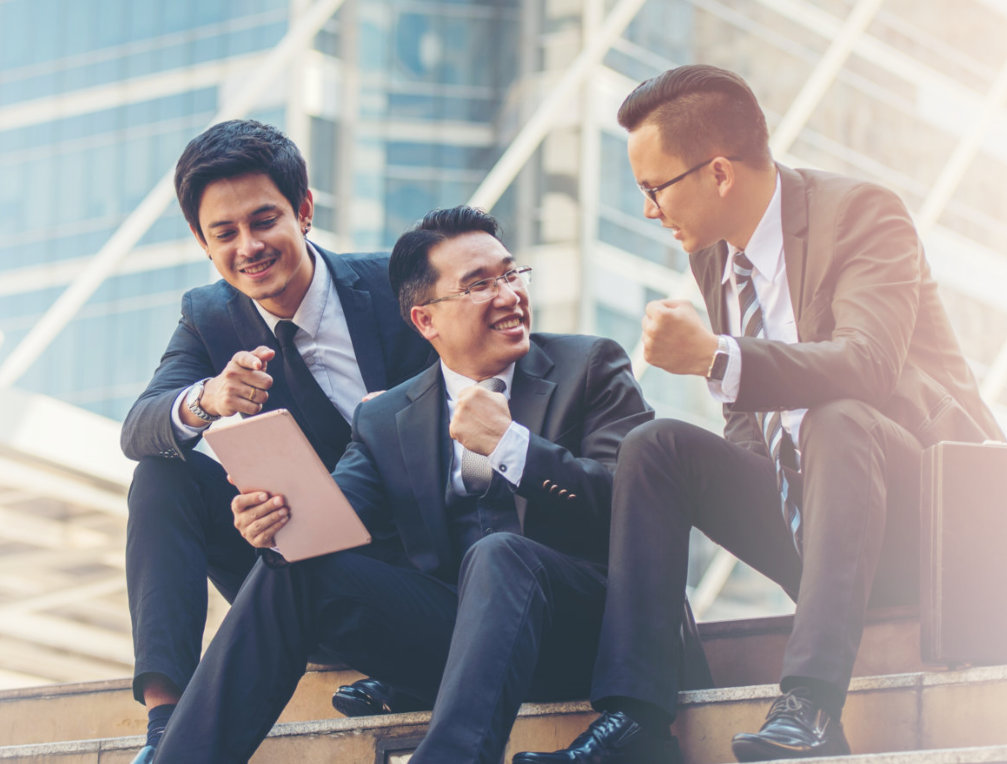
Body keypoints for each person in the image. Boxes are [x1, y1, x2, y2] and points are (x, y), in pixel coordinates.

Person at [518, 64, 1004, 762]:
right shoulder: (716, 256)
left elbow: (867, 364)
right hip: (814, 531)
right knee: (655, 445)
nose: (650, 210)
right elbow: (748, 423)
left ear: (718, 174)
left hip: (920, 527)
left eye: (655, 189)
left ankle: (809, 707)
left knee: (840, 415)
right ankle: (636, 720)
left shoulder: (863, 214)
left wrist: (716, 356)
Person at [149, 206, 657, 763]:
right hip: (454, 646)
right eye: (479, 285)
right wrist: (273, 523)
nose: (509, 295)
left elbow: (633, 509)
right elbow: (332, 524)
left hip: (583, 638)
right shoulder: (388, 417)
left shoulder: (591, 365)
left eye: (511, 275)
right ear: (425, 321)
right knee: (294, 567)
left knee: (501, 553)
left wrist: (512, 444)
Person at [118, 119, 435, 764]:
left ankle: (406, 674)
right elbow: (138, 427)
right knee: (162, 473)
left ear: (305, 210)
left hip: (424, 577)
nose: (248, 247)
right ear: (201, 242)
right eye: (224, 233)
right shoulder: (209, 315)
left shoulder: (396, 288)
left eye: (264, 221)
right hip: (294, 574)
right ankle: (164, 725)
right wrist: (207, 398)